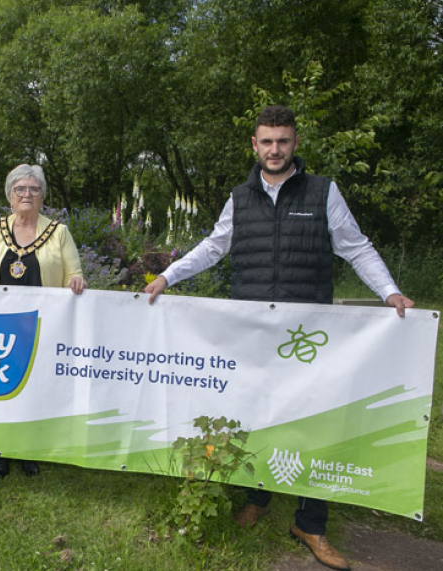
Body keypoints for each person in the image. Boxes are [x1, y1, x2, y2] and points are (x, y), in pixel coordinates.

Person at [145, 105, 413, 571]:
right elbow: (214, 245)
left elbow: (356, 246)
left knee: (313, 421)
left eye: (283, 141)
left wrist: (390, 292)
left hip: (308, 334)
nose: (275, 149)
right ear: (254, 145)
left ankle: (311, 522)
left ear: (295, 143)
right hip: (251, 333)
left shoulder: (324, 192)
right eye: (266, 141)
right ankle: (258, 497)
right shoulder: (239, 196)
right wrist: (168, 276)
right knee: (253, 414)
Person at [0, 163, 87, 478]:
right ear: (10, 196)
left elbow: (75, 274)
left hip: (42, 326)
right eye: (20, 189)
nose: (27, 194)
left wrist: (76, 283)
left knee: (35, 387)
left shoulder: (59, 233)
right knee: (0, 386)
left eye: (34, 189)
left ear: (42, 197)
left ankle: (28, 450)